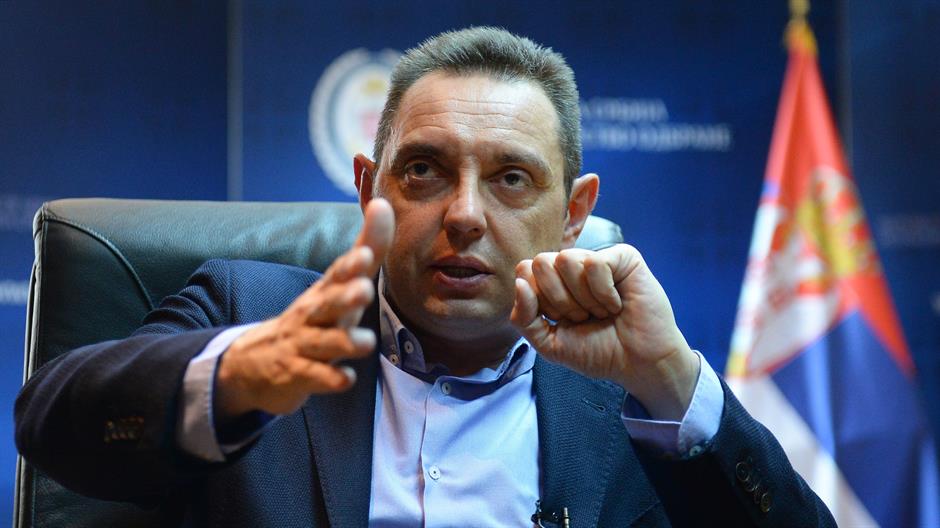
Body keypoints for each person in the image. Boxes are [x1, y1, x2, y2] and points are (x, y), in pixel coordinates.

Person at [15, 27, 834, 527]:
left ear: (574, 212)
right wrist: (235, 377)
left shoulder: (633, 399)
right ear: (369, 188)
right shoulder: (248, 311)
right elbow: (51, 424)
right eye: (424, 171)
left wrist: (671, 380)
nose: (465, 214)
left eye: (511, 178)